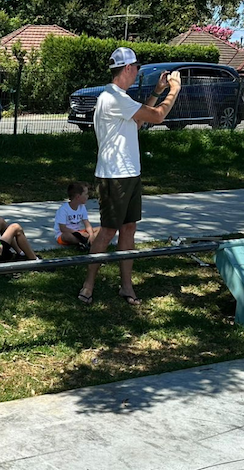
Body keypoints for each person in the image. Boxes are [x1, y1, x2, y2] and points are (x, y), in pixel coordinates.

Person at [78, 48, 182, 306]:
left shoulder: (118, 97)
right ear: (127, 69)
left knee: (129, 229)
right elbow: (156, 117)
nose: (137, 71)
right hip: (114, 177)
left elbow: (138, 121)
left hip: (130, 174)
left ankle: (127, 286)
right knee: (107, 232)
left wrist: (157, 92)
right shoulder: (113, 98)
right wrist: (174, 90)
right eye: (136, 67)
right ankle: (87, 286)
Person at [55, 181, 96, 251]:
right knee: (66, 236)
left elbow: (87, 224)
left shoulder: (82, 207)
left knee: (100, 229)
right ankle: (83, 242)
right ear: (78, 197)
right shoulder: (63, 209)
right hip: (66, 234)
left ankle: (87, 240)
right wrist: (79, 233)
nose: (88, 196)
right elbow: (63, 228)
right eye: (86, 194)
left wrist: (91, 235)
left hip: (79, 232)